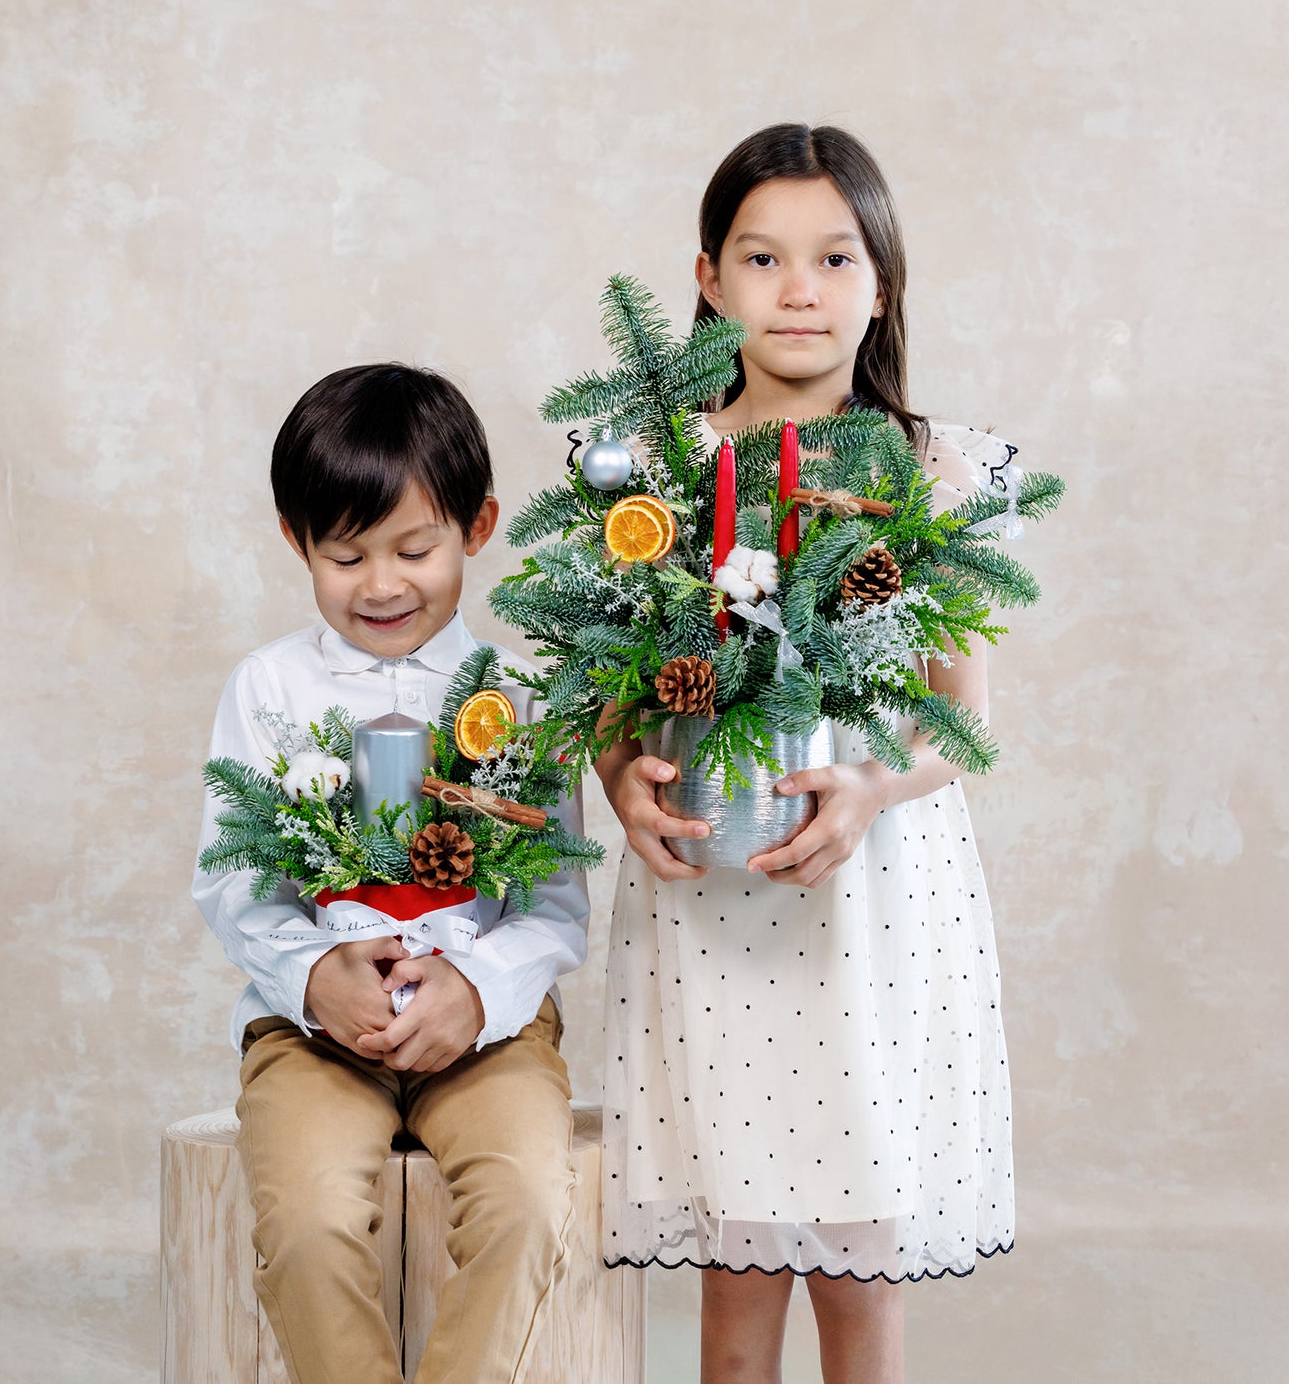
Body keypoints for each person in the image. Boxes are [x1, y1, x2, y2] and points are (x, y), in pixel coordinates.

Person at [596, 125, 1021, 1384]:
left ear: (880, 281)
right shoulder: (653, 471)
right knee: (736, 1280)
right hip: (711, 898)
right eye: (763, 256)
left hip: (871, 902)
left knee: (861, 1267)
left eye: (834, 258)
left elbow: (967, 724)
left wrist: (875, 787)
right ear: (708, 278)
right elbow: (611, 685)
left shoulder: (931, 471)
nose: (799, 288)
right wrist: (623, 779)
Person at [192, 364, 590, 1384]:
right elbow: (234, 881)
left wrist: (479, 990)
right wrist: (316, 977)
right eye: (345, 554)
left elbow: (554, 905)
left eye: (415, 549)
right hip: (317, 1035)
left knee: (527, 1207)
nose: (381, 584)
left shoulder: (522, 694)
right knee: (313, 1224)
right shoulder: (270, 688)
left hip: (486, 1033)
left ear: (477, 525)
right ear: (298, 543)